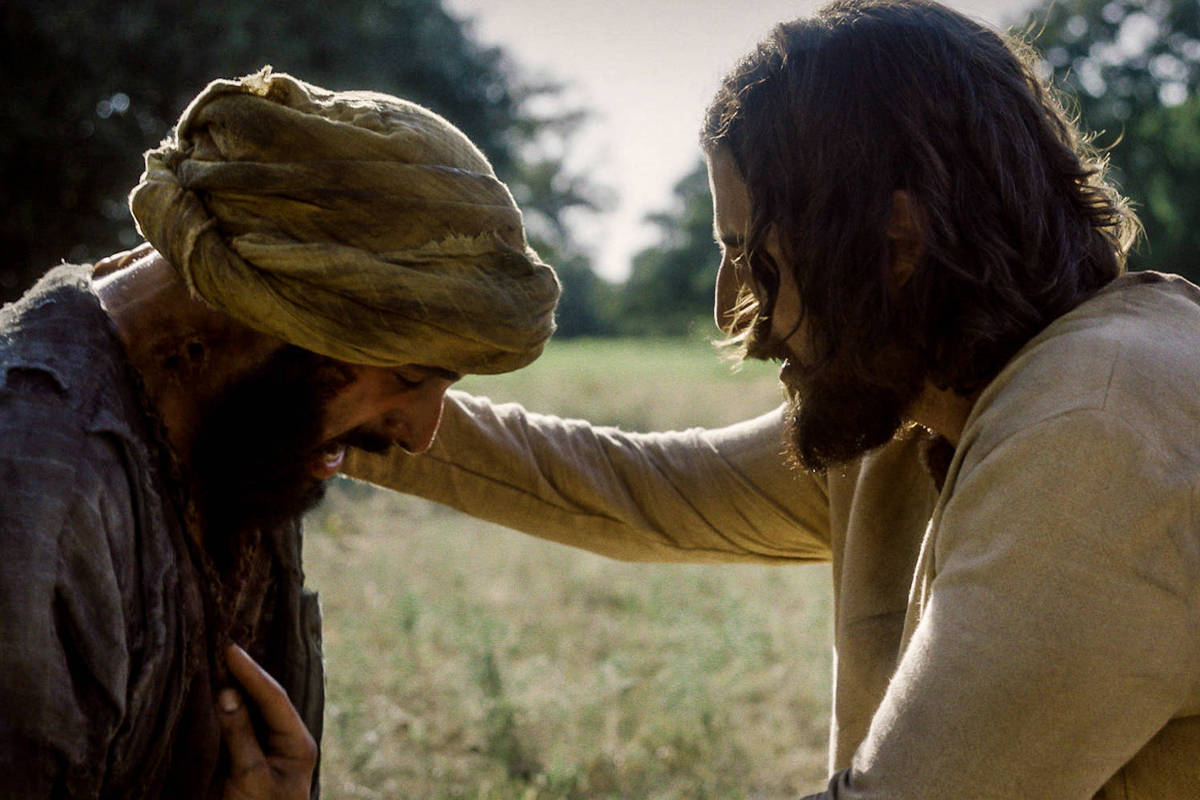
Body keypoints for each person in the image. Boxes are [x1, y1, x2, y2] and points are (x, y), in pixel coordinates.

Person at [344, 1, 1200, 798]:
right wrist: (354, 397)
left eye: (754, 260)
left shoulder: (1095, 432)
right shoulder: (929, 404)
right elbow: (645, 491)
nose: (732, 314)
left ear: (896, 244)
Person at [0, 67, 559, 798]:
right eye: (410, 375)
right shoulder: (35, 488)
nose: (420, 435)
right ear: (266, 313)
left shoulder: (236, 424)